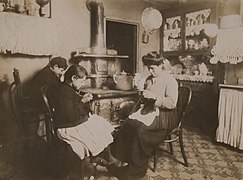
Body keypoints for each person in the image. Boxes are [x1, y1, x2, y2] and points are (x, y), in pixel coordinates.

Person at [109, 51, 178, 179]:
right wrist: (142, 93)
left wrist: (154, 97)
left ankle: (136, 173)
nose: (150, 71)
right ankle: (127, 163)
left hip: (165, 116)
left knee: (141, 132)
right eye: (148, 68)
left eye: (153, 68)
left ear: (161, 65)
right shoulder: (149, 79)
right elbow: (145, 98)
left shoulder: (170, 81)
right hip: (150, 111)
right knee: (128, 124)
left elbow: (172, 103)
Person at [53, 64, 127, 168]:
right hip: (67, 126)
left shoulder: (68, 89)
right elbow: (69, 115)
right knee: (96, 130)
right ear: (73, 78)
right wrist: (83, 101)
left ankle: (106, 157)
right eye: (81, 81)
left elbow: (73, 106)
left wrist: (83, 99)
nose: (83, 84)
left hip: (74, 122)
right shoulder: (64, 92)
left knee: (101, 126)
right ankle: (105, 159)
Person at [24, 56, 68, 134]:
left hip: (36, 98)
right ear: (55, 67)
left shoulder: (47, 71)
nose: (61, 73)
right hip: (37, 101)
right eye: (61, 70)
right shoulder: (47, 75)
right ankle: (58, 130)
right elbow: (55, 89)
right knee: (61, 104)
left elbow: (55, 86)